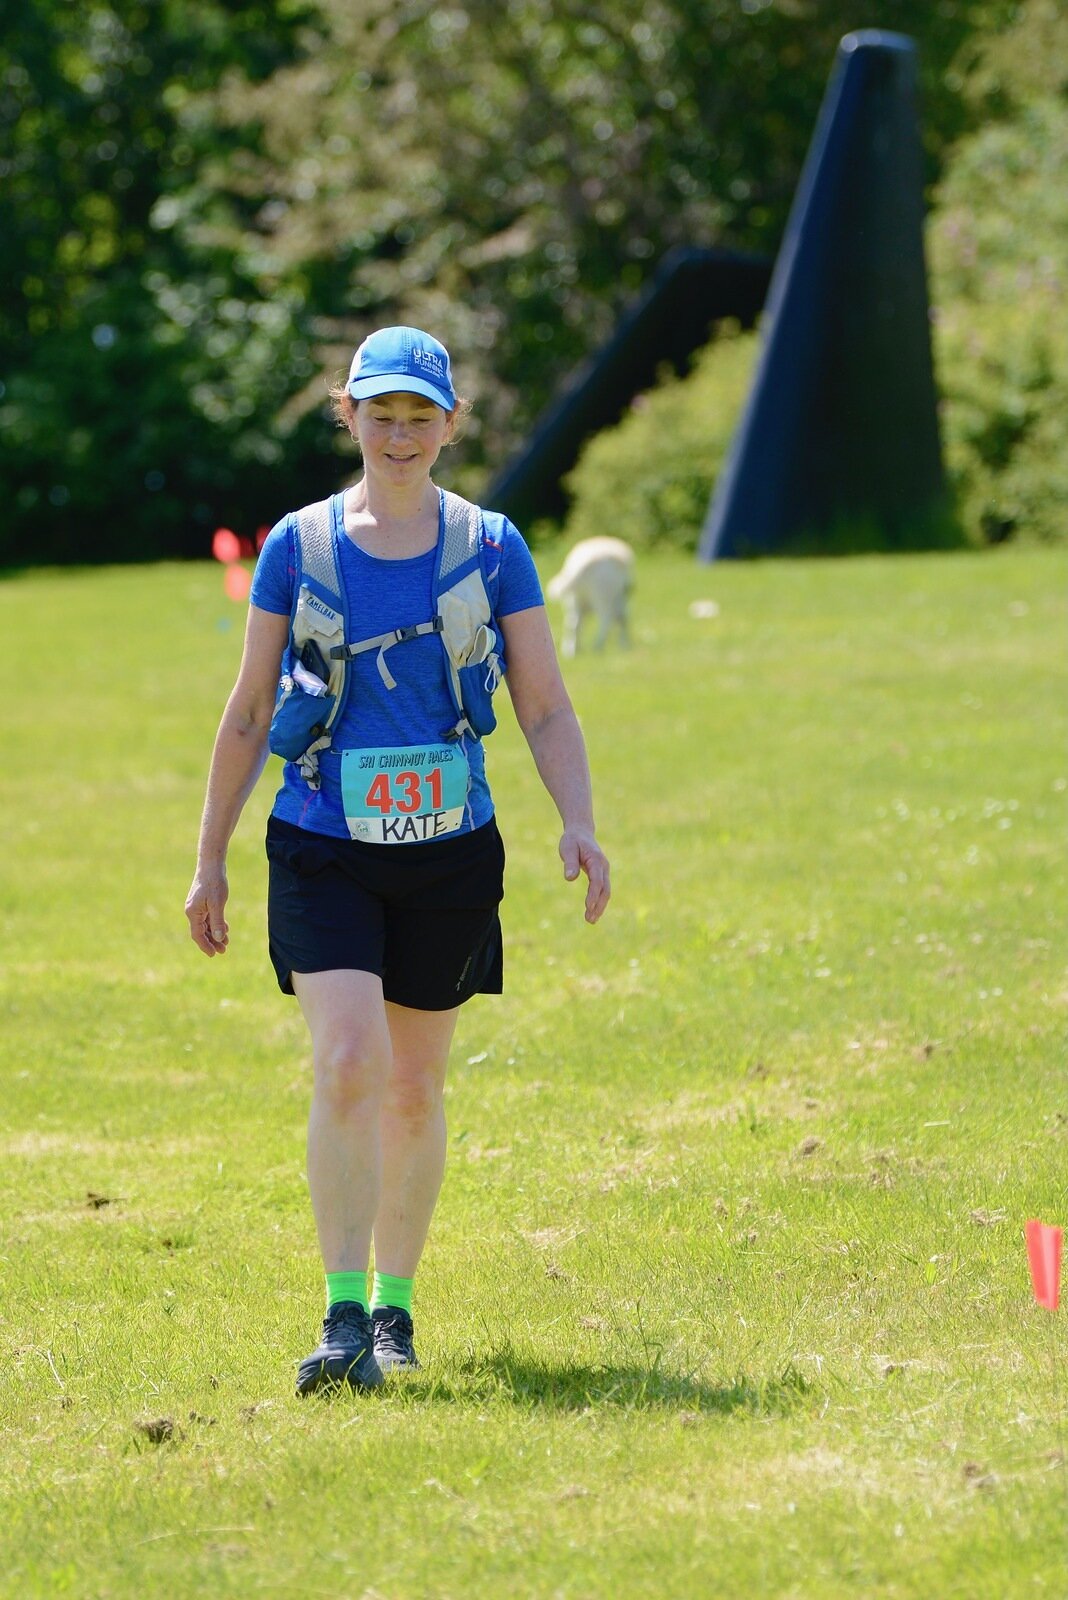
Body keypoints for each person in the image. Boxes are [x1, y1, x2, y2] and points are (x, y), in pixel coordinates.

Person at [185, 326, 610, 1395]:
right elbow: (249, 710)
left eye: (421, 417)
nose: (401, 435)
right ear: (350, 415)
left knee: (414, 1088)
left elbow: (543, 703)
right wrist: (210, 857)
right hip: (322, 841)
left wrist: (579, 820)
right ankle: (339, 1315)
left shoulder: (492, 546)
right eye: (382, 415)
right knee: (347, 1061)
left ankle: (394, 1312)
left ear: (450, 425)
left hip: (449, 852)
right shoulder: (298, 546)